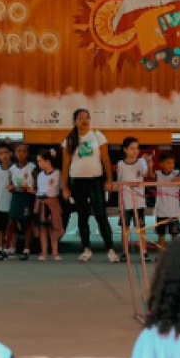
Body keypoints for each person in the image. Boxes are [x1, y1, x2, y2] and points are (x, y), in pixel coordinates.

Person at [61, 109, 119, 263]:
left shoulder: (97, 135)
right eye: (80, 118)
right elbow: (65, 164)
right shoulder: (69, 140)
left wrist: (109, 180)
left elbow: (106, 159)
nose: (84, 121)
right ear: (75, 121)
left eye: (87, 118)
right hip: (77, 181)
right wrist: (65, 187)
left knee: (100, 215)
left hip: (95, 181)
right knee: (82, 216)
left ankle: (110, 250)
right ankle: (86, 249)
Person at [116, 137, 151, 261]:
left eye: (137, 148)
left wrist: (149, 163)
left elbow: (146, 174)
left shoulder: (141, 162)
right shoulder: (120, 164)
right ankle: (125, 252)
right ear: (125, 150)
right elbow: (119, 182)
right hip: (126, 201)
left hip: (139, 201)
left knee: (141, 227)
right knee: (125, 227)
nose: (135, 151)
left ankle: (144, 251)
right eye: (132, 148)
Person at [34, 148, 64, 261]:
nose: (39, 163)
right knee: (43, 228)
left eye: (40, 161)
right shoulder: (40, 175)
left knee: (54, 227)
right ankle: (44, 251)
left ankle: (55, 251)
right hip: (41, 202)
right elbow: (39, 189)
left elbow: (60, 188)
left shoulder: (58, 173)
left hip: (52, 202)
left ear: (47, 161)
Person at [7, 143, 35, 262]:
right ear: (14, 153)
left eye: (23, 151)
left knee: (27, 222)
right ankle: (10, 248)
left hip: (27, 196)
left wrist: (28, 188)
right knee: (12, 222)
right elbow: (9, 183)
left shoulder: (32, 167)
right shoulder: (12, 168)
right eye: (18, 151)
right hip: (16, 196)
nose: (21, 153)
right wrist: (11, 187)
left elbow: (36, 185)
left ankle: (26, 249)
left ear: (27, 153)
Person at [153, 152, 180, 249]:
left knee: (174, 234)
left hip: (174, 211)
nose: (171, 165)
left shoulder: (176, 173)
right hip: (161, 211)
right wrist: (149, 165)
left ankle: (174, 255)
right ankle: (161, 255)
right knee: (161, 234)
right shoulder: (157, 174)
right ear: (161, 164)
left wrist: (179, 180)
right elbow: (149, 174)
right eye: (168, 163)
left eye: (172, 163)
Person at [0, 144, 14, 261]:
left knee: (10, 226)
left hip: (11, 201)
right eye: (1, 153)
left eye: (6, 153)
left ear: (10, 154)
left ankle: (10, 248)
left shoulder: (14, 169)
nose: (4, 155)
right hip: (0, 202)